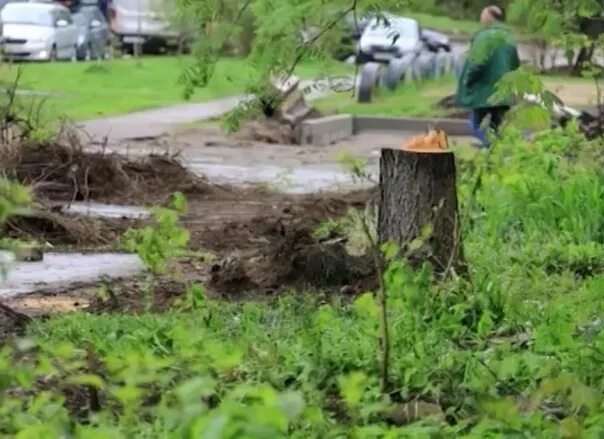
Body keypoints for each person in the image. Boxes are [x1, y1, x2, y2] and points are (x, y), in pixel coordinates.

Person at [456, 5, 520, 147]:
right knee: (495, 128)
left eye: (483, 14)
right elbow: (515, 65)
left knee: (476, 126)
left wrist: (467, 80)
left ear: (490, 17)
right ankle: (494, 156)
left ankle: (490, 149)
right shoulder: (509, 37)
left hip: (483, 92)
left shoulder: (484, 37)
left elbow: (477, 63)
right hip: (503, 93)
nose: (481, 18)